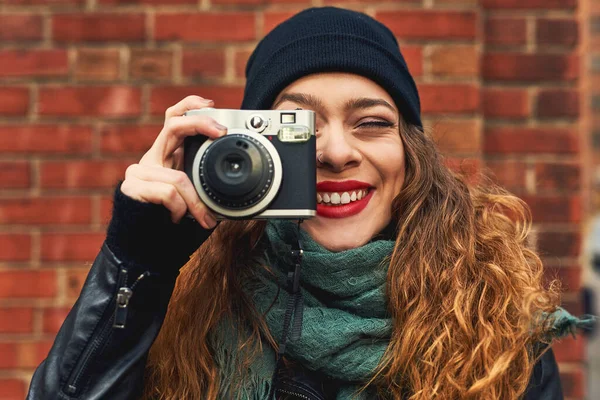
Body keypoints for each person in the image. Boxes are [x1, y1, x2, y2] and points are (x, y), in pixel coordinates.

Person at [27, 7, 592, 400]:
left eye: (371, 123)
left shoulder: (497, 337)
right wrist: (137, 263)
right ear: (247, 150)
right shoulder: (181, 314)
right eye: (299, 128)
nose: (337, 152)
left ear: (411, 156)